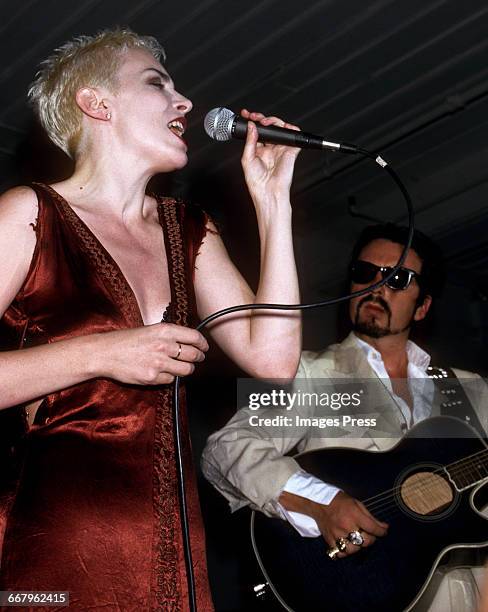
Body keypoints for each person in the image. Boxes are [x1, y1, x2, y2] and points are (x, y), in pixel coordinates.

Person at [0, 29, 302, 610]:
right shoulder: (31, 213)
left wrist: (273, 202)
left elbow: (274, 357)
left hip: (174, 537)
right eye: (157, 82)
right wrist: (103, 352)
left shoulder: (187, 229)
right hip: (58, 537)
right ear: (97, 103)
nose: (184, 101)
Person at [202, 224, 488, 611]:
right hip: (358, 588)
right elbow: (226, 447)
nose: (377, 286)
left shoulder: (467, 390)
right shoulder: (309, 373)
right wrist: (321, 502)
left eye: (398, 278)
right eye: (364, 273)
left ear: (423, 306)